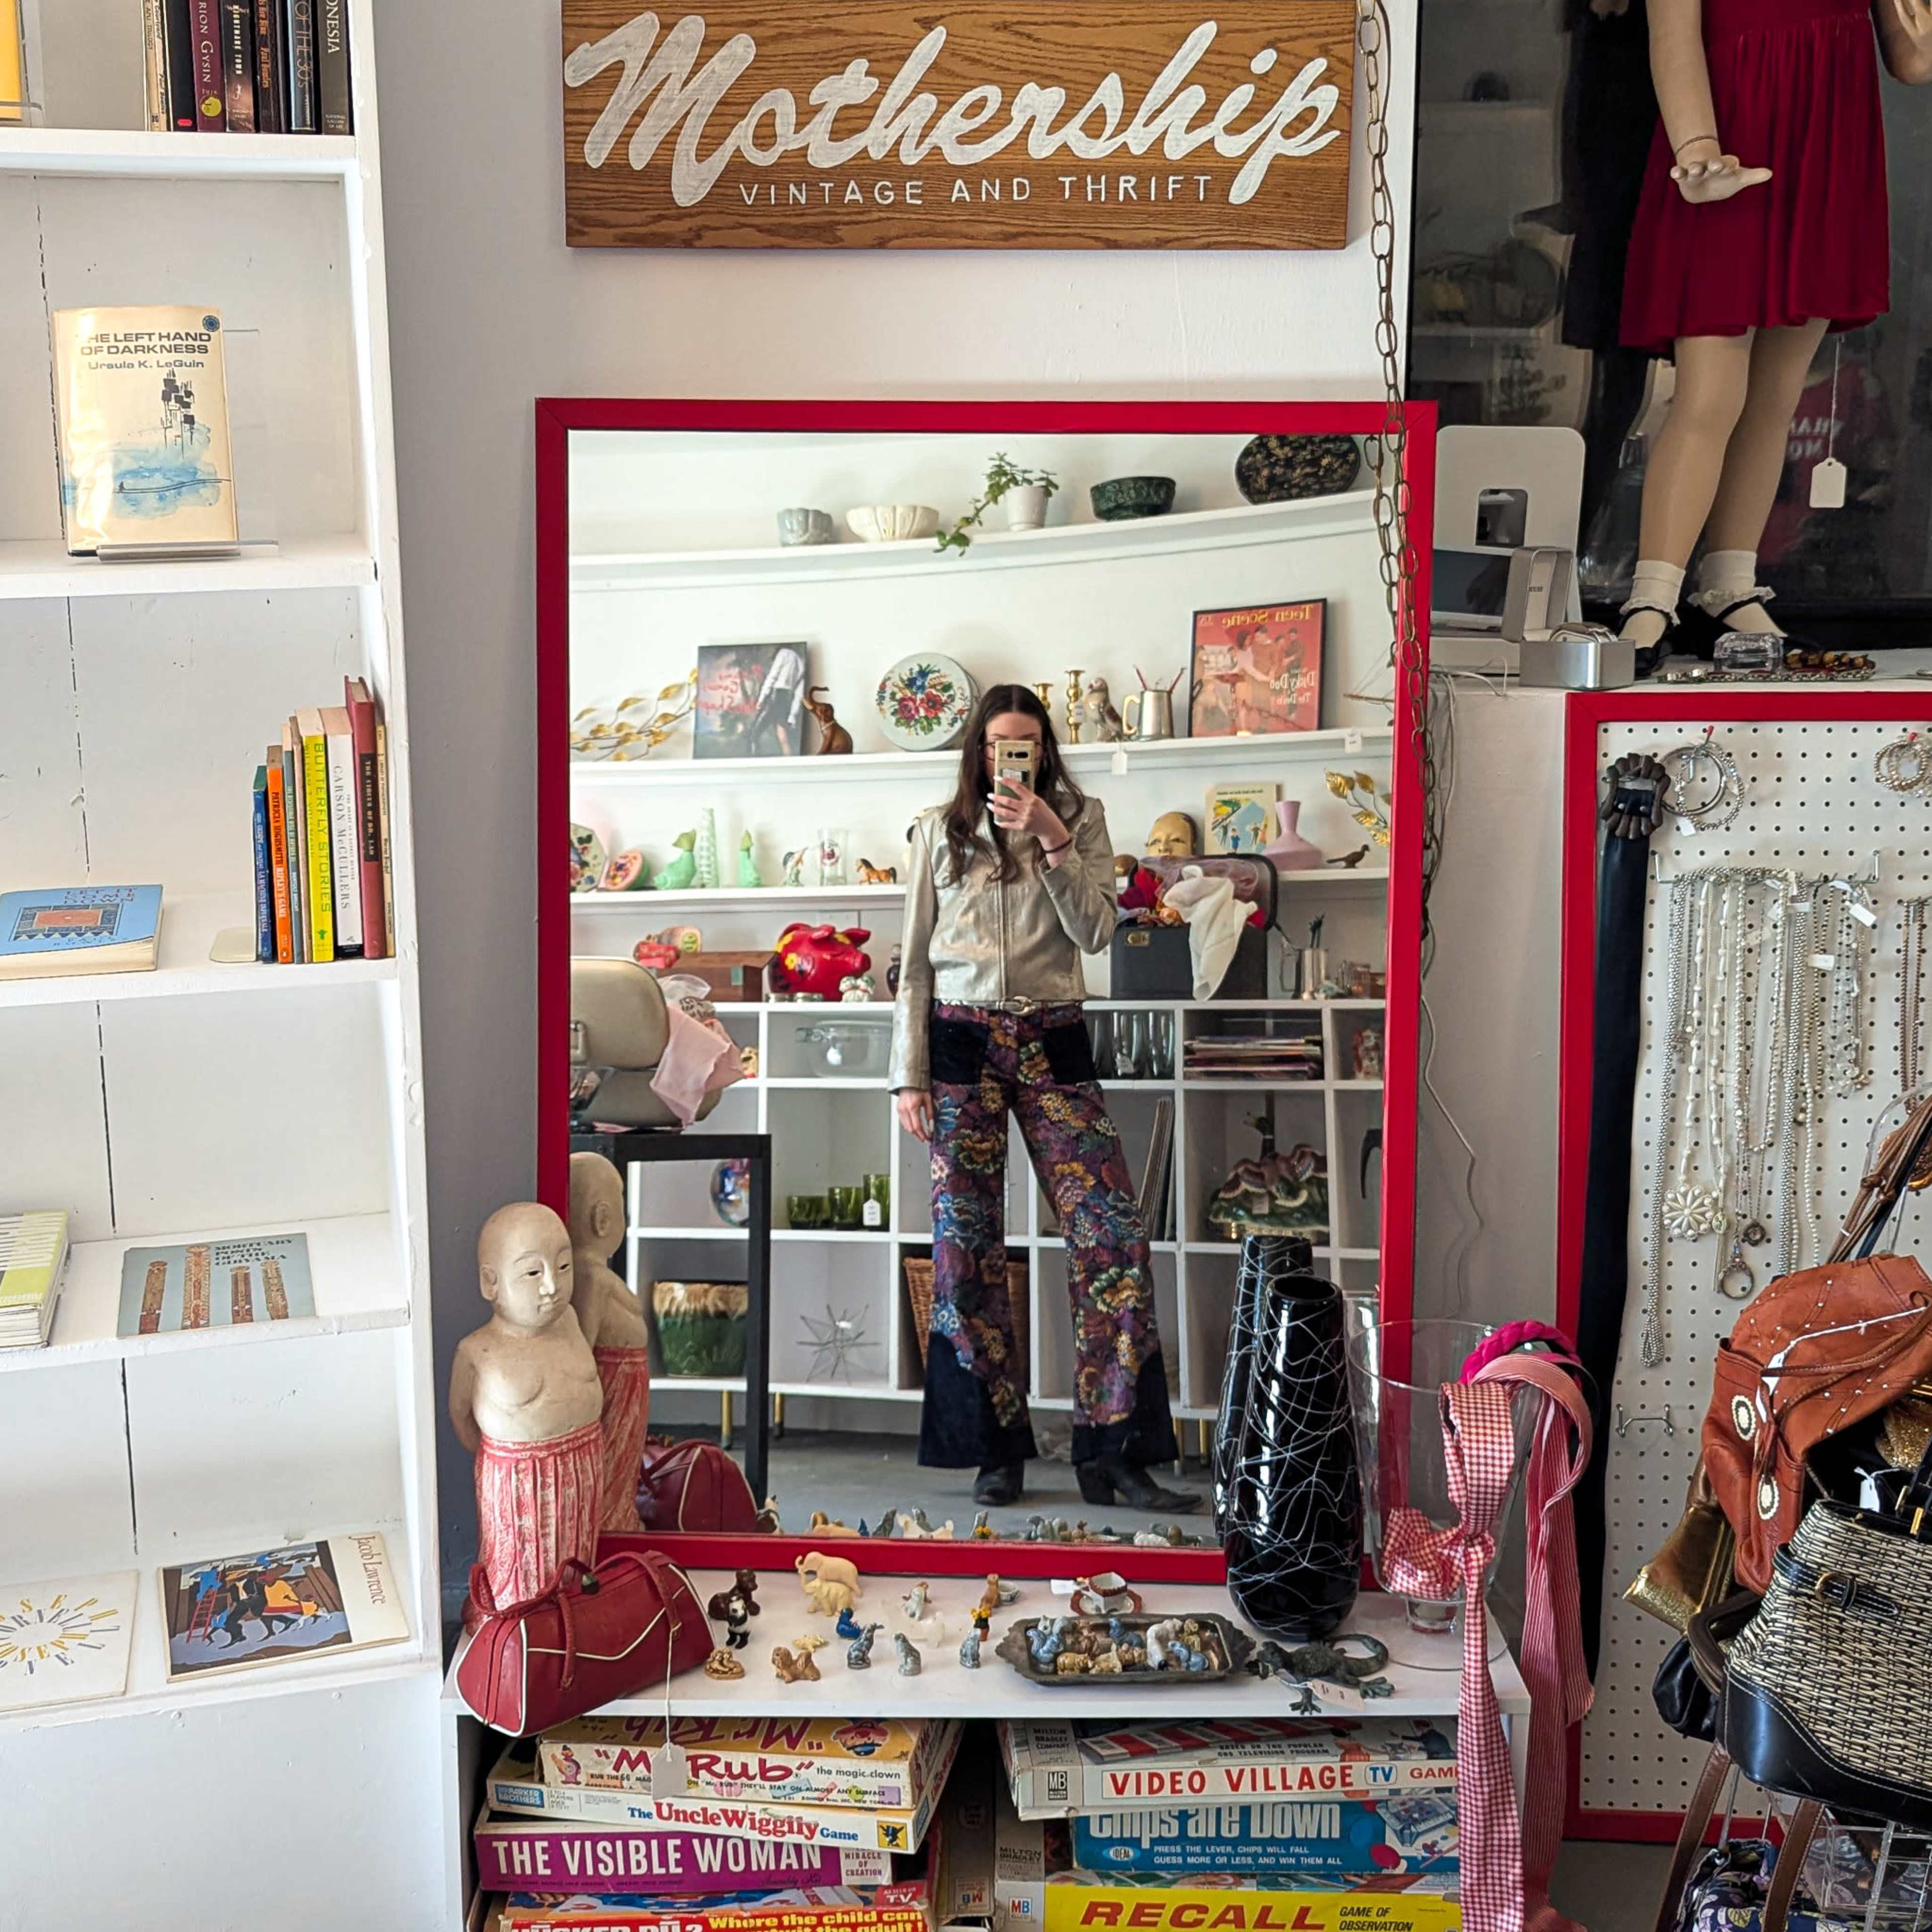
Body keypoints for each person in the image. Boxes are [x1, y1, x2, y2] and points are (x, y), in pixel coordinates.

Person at [890, 684, 1196, 1514]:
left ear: (1046, 749)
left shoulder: (1081, 819)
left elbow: (1099, 932)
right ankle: (997, 1451)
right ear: (976, 751)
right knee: (965, 1248)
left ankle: (1117, 1453)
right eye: (996, 745)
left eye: (1024, 743)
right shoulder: (936, 831)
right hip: (958, 1039)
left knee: (1113, 1237)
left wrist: (1055, 840)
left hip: (1054, 1034)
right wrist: (906, 1073)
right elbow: (913, 960)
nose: (1009, 758)